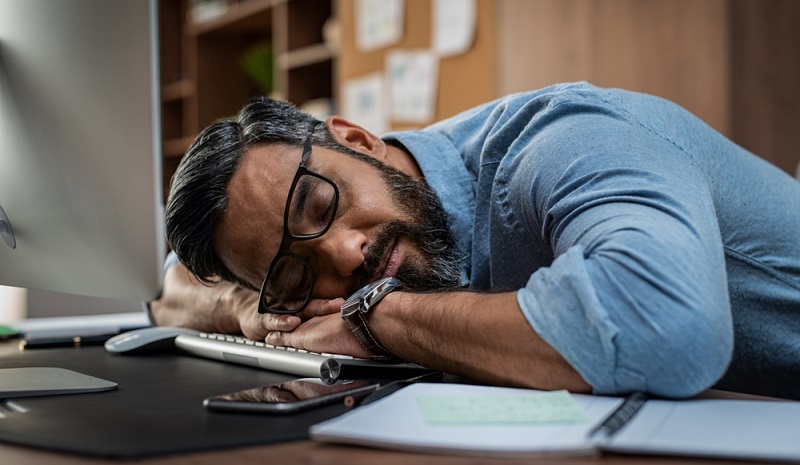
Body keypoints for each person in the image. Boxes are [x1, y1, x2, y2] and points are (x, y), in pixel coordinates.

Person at [153, 82, 800, 400]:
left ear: (355, 139)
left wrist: (379, 317)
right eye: (296, 272)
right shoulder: (302, 259)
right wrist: (246, 308)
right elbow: (174, 280)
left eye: (321, 204)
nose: (345, 254)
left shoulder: (553, 144)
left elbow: (670, 326)